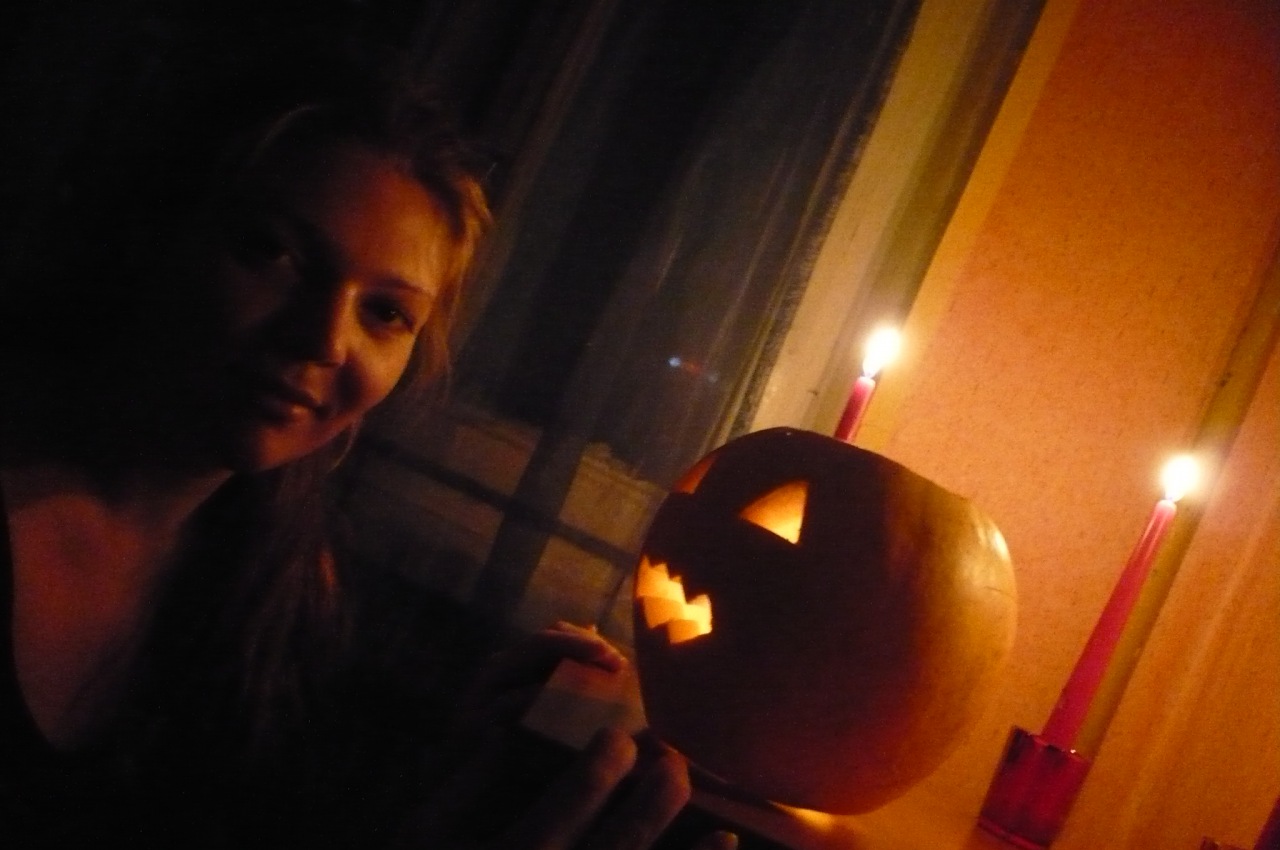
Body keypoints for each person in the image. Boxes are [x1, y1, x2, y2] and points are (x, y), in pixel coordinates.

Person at [0, 5, 734, 849]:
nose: (322, 339)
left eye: (384, 312)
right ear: (159, 227)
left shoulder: (272, 590)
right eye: (274, 254)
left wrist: (456, 771)